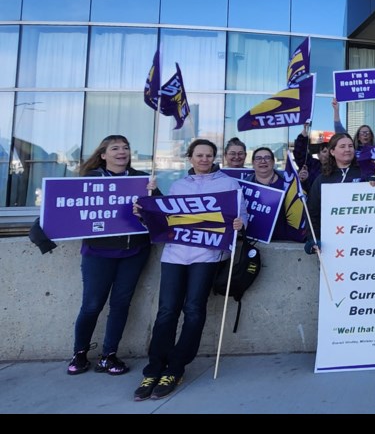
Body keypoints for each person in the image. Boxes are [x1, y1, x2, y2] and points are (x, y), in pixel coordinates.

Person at [134, 139, 245, 400]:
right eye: (199, 155)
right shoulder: (178, 185)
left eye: (209, 155)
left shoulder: (229, 184)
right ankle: (154, 368)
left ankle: (175, 367)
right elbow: (165, 218)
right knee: (166, 311)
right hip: (174, 254)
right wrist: (146, 211)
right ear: (190, 158)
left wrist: (241, 223)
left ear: (215, 158)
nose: (204, 159)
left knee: (194, 310)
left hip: (207, 254)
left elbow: (241, 215)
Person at [66, 135, 156, 377]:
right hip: (99, 252)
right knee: (92, 305)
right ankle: (80, 353)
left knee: (120, 304)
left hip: (134, 252)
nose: (121, 152)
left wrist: (150, 203)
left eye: (126, 148)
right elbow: (68, 208)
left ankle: (109, 355)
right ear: (103, 155)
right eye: (115, 148)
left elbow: (161, 217)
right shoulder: (90, 179)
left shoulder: (143, 180)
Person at [304, 133, 366, 254]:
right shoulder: (322, 179)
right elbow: (312, 212)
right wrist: (313, 239)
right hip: (332, 244)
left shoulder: (365, 174)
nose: (347, 149)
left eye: (350, 146)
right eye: (342, 146)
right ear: (332, 151)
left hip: (362, 239)